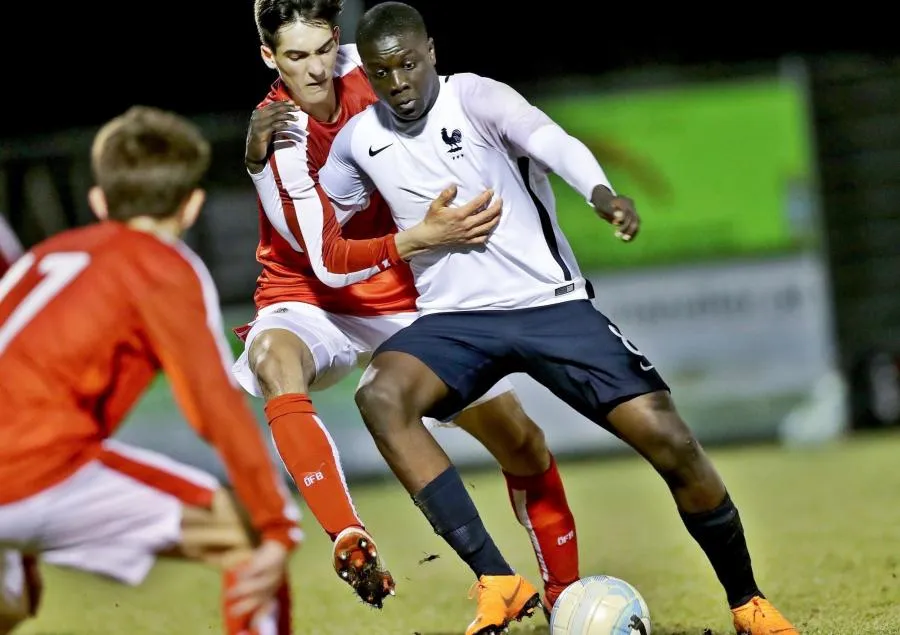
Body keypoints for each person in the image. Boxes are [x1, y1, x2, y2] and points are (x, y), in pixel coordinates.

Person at [313, 3, 802, 635]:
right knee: (381, 396)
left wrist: (601, 194)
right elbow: (327, 218)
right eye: (383, 73)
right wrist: (268, 160)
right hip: (456, 320)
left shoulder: (478, 99)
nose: (399, 82)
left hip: (549, 304)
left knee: (669, 438)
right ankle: (497, 578)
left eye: (408, 64)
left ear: (431, 50)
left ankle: (747, 604)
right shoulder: (359, 140)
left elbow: (552, 142)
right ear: (370, 77)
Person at [234, 0, 582, 618]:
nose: (314, 70)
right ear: (268, 57)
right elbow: (323, 259)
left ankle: (564, 601)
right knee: (271, 360)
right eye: (294, 57)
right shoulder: (277, 134)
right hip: (310, 292)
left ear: (335, 39)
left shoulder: (378, 70)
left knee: (522, 443)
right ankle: (349, 534)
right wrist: (424, 235)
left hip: (406, 292)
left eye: (321, 51)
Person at [0, 106, 299, 635]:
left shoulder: (43, 257)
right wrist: (276, 523)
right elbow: (213, 405)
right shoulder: (163, 265)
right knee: (249, 539)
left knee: (14, 605)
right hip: (33, 469)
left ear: (98, 201)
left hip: (20, 470)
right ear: (192, 207)